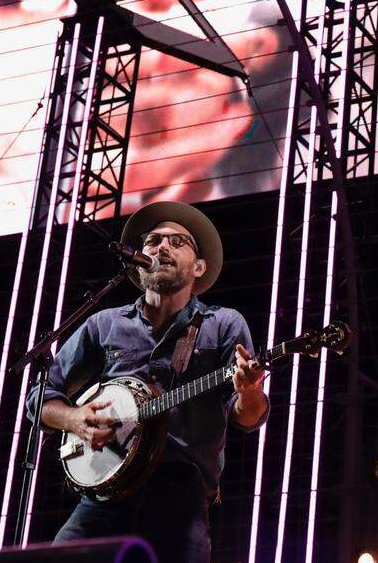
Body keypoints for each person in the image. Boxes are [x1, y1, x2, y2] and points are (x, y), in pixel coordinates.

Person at [27, 200, 269, 563]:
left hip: (180, 494)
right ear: (138, 263)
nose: (161, 248)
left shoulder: (224, 324)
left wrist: (249, 390)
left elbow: (249, 418)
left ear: (199, 266)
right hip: (103, 493)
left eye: (177, 242)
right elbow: (40, 398)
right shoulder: (104, 324)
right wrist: (74, 419)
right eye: (153, 241)